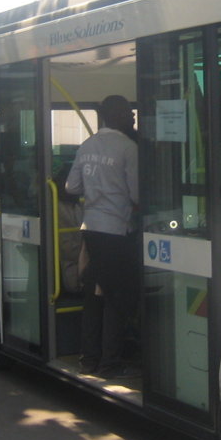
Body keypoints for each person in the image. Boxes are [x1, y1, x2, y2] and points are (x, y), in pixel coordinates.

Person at [65, 95, 139, 378]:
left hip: (91, 231)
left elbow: (72, 187)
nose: (133, 118)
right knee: (115, 298)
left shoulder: (86, 146)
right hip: (117, 233)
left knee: (93, 296)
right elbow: (137, 195)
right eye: (129, 113)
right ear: (116, 115)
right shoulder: (128, 148)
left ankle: (88, 359)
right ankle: (110, 362)